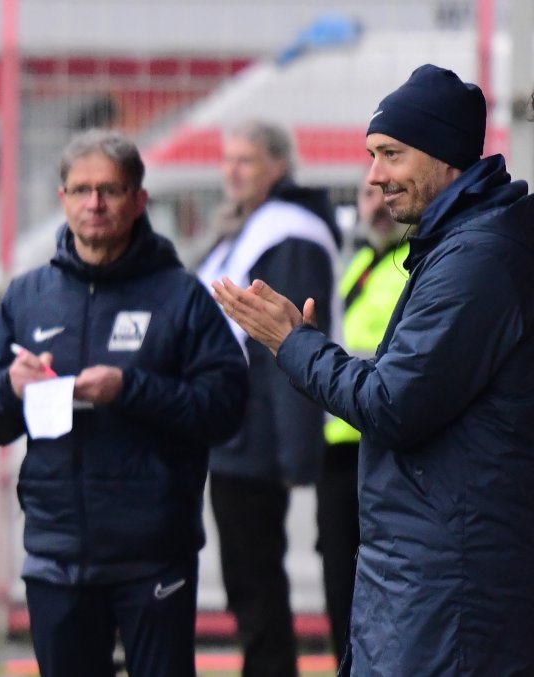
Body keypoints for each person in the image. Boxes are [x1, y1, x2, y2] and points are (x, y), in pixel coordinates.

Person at [212, 64, 534, 675]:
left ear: (444, 155)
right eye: (371, 155)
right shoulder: (462, 244)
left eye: (391, 154)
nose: (374, 176)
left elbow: (393, 403)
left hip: (449, 586)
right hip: (430, 574)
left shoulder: (478, 258)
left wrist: (292, 342)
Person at [0, 129, 248, 677]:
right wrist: (10, 389)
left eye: (111, 190)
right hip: (55, 552)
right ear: (62, 199)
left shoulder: (179, 295)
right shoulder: (28, 296)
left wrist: (131, 389)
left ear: (139, 200)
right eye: (82, 190)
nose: (95, 204)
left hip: (153, 552)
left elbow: (226, 406)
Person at [195, 119, 339, 677]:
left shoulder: (288, 233)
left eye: (246, 160)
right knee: (247, 585)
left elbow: (289, 342)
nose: (232, 170)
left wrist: (294, 453)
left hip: (255, 440)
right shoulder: (248, 226)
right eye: (227, 158)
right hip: (233, 434)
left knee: (257, 591)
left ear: (278, 166)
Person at [316, 180, 408, 663]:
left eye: (384, 195)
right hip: (338, 446)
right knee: (338, 580)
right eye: (367, 196)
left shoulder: (415, 266)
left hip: (385, 442)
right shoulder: (356, 265)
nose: (376, 206)